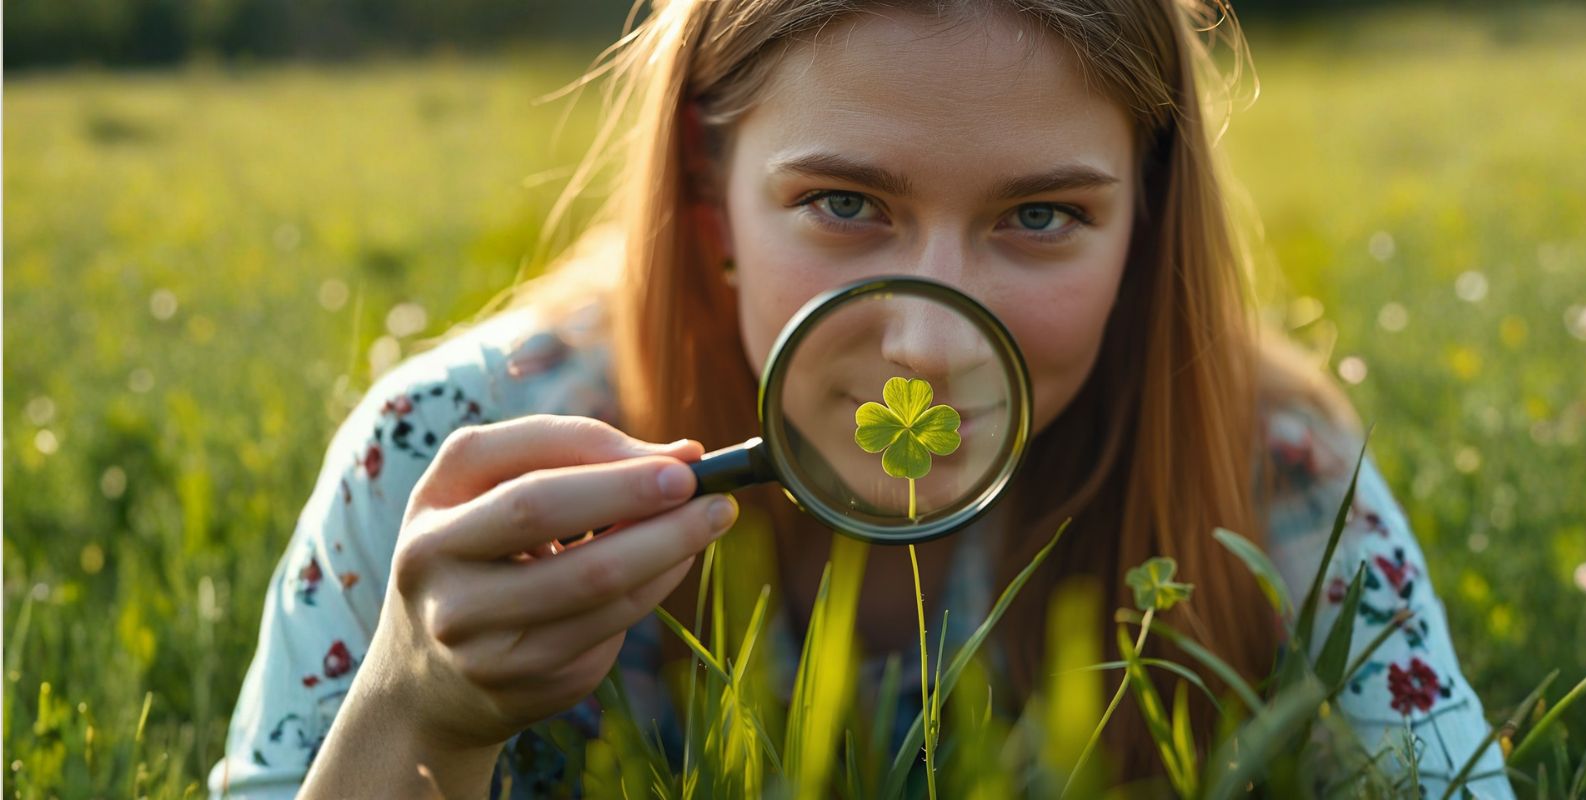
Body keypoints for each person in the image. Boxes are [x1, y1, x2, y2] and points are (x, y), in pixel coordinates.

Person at [208, 0, 1515, 796]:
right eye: (845, 205)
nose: (925, 342)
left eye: (1043, 215)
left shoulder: (1271, 481)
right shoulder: (458, 459)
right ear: (704, 196)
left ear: (1147, 226)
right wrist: (419, 708)